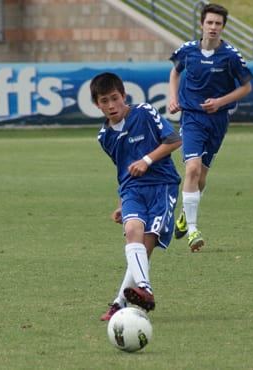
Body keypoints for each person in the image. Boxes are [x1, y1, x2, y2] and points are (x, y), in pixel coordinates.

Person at [90, 72, 182, 321]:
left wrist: (147, 160)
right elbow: (121, 171)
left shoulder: (143, 112)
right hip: (132, 190)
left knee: (144, 246)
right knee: (132, 232)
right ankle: (145, 289)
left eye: (114, 98)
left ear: (124, 96)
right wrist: (121, 203)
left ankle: (120, 302)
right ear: (97, 105)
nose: (111, 106)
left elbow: (174, 140)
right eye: (104, 101)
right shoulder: (104, 136)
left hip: (162, 186)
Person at [168, 3, 253, 252]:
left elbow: (246, 87)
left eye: (218, 23)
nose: (213, 27)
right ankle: (193, 229)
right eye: (210, 23)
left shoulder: (231, 56)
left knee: (201, 177)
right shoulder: (187, 51)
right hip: (192, 118)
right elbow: (174, 73)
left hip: (217, 121)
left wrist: (220, 102)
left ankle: (185, 215)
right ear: (202, 24)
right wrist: (173, 98)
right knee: (192, 169)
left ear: (223, 27)